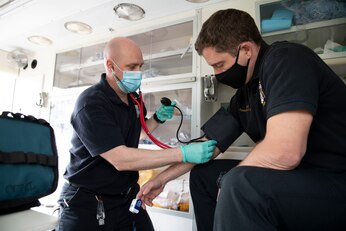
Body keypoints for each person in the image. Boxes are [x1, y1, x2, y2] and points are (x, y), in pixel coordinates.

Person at [137, 8, 346, 231]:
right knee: (203, 176)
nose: (217, 74)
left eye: (219, 65)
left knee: (239, 184)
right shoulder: (245, 95)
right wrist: (162, 178)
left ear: (246, 49)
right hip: (297, 178)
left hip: (333, 179)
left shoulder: (286, 59)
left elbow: (286, 152)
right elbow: (208, 144)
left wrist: (228, 182)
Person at [56, 37, 217, 231]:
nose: (138, 73)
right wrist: (182, 153)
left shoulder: (133, 98)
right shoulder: (91, 103)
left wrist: (157, 119)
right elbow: (120, 158)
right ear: (110, 65)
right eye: (131, 67)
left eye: (140, 66)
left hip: (127, 197)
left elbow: (134, 134)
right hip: (88, 201)